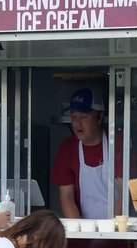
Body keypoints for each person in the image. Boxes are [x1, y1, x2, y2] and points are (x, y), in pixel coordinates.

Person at [50, 87, 118, 220]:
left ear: (99, 118)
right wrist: (81, 229)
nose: (77, 123)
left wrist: (113, 230)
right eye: (74, 117)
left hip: (118, 228)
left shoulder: (118, 145)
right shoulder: (67, 149)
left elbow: (126, 192)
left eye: (83, 117)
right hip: (85, 228)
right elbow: (67, 197)